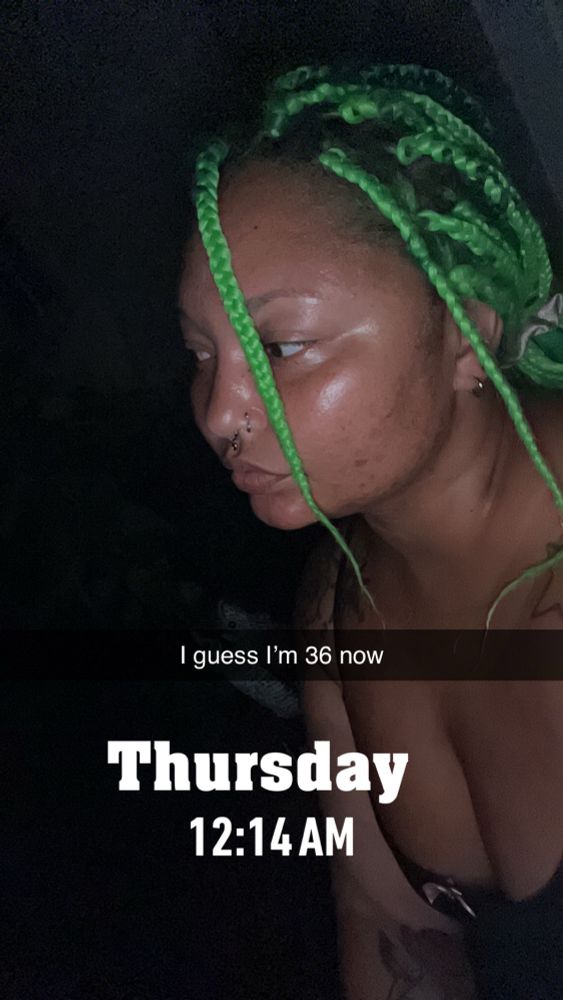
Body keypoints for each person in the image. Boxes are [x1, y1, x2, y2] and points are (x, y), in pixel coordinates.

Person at [178, 62, 563, 997]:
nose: (220, 413)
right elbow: (392, 926)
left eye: (281, 348)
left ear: (467, 332)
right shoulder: (338, 605)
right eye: (199, 354)